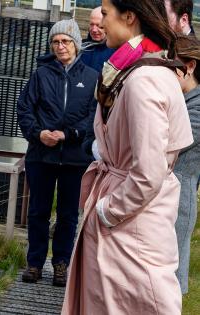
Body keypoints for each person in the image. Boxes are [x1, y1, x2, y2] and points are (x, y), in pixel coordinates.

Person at [61, 0, 194, 314]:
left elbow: (148, 173)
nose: (100, 23)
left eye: (106, 14)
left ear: (130, 17)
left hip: (130, 226)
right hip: (130, 222)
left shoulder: (143, 80)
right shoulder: (138, 69)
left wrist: (108, 212)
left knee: (132, 302)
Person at [17, 19, 98, 287]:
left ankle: (61, 263)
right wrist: (39, 134)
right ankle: (35, 263)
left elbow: (93, 117)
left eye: (65, 41)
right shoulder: (40, 75)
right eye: (55, 42)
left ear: (76, 44)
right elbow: (25, 109)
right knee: (38, 210)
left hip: (75, 158)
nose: (60, 46)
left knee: (68, 215)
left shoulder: (90, 78)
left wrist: (69, 135)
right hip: (41, 155)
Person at [173, 35, 200, 295]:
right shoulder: (182, 99)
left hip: (179, 203)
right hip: (166, 198)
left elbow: (172, 142)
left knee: (172, 275)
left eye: (172, 66)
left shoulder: (198, 106)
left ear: (189, 66)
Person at [80, 6, 115, 73]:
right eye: (91, 24)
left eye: (99, 26)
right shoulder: (81, 47)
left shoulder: (116, 52)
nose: (94, 30)